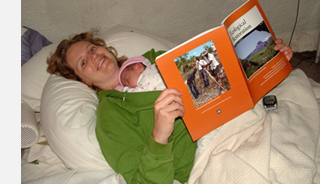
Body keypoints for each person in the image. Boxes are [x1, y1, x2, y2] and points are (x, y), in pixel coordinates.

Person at [46, 31, 293, 184]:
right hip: (212, 154)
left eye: (92, 48)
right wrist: (159, 135)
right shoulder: (110, 116)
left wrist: (262, 61)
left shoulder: (155, 59)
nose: (94, 56)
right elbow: (142, 182)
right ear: (83, 81)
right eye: (84, 62)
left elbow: (218, 74)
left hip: (240, 113)